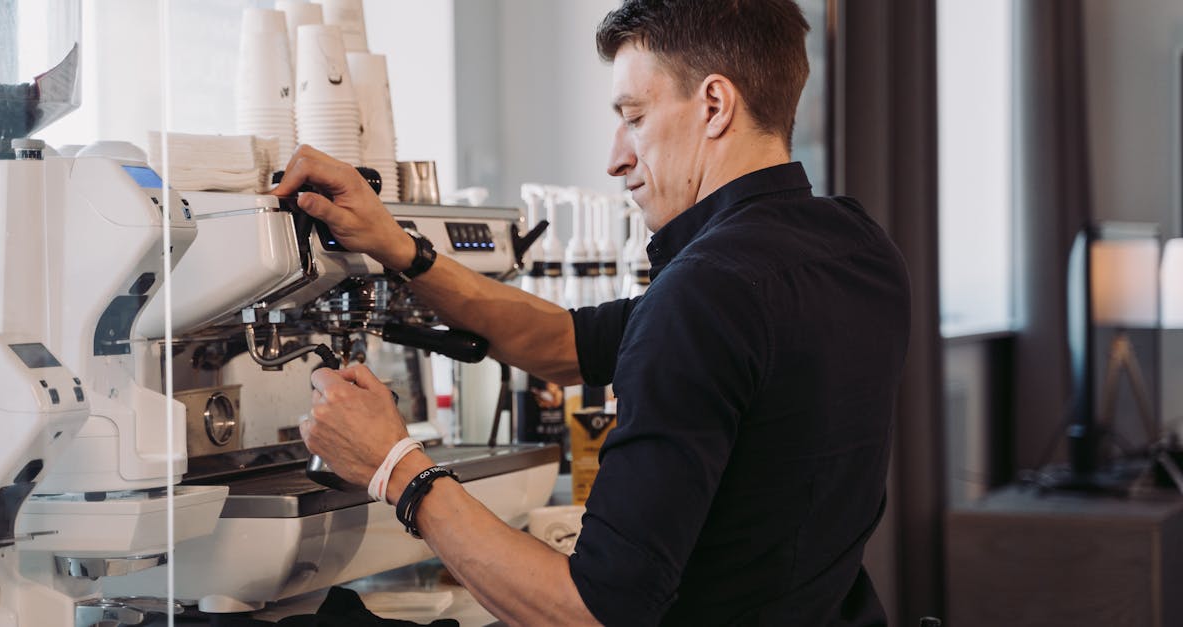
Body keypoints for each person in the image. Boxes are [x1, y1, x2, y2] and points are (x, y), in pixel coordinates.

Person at [273, 0, 910, 624]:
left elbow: (592, 610)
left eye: (633, 116)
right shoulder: (858, 246)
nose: (616, 158)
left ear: (715, 106)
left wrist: (396, 467)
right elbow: (563, 342)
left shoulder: (705, 294)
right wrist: (401, 249)